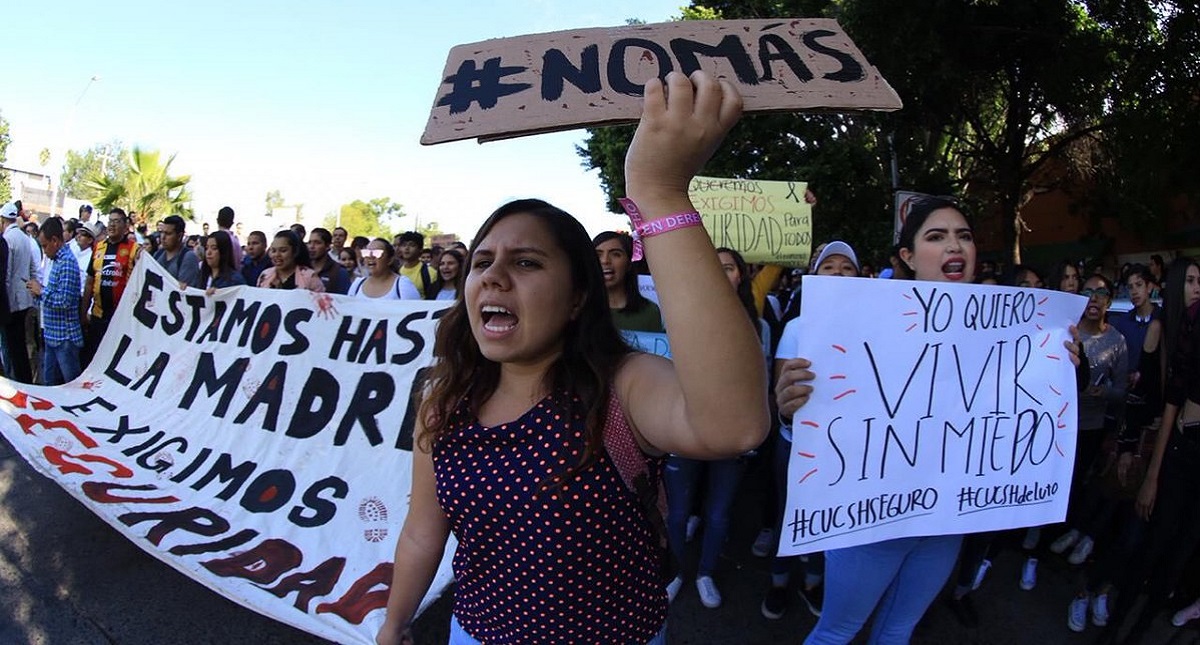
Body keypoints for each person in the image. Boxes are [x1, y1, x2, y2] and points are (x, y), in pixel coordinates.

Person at [376, 70, 766, 645]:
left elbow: (733, 425)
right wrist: (393, 623)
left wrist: (659, 192)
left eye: (527, 263)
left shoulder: (622, 388)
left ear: (577, 296)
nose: (494, 277)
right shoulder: (445, 399)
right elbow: (422, 532)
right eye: (482, 262)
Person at [778, 197, 980, 644]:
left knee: (897, 629)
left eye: (964, 235)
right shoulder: (853, 323)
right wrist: (792, 407)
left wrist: (1058, 366)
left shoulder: (1004, 333)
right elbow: (817, 416)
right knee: (837, 631)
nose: (955, 246)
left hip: (945, 522)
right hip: (871, 519)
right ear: (907, 257)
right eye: (937, 236)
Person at [1099, 258, 1200, 643]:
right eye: (1190, 281)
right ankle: (1103, 607)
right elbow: (1161, 400)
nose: (1196, 288)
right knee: (1141, 544)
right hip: (1171, 450)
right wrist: (1144, 464)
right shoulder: (1173, 329)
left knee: (1173, 561)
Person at [761, 241, 860, 622]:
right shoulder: (797, 328)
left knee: (831, 518)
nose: (838, 273)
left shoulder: (877, 328)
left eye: (846, 267)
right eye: (829, 266)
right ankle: (779, 581)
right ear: (814, 278)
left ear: (861, 277)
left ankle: (814, 581)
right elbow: (780, 389)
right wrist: (788, 412)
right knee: (790, 516)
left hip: (850, 447)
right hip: (799, 445)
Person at [664, 246, 765, 610]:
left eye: (729, 268)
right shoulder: (679, 317)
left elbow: (759, 383)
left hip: (732, 438)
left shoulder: (759, 326)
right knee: (676, 511)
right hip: (684, 434)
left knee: (719, 513)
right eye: (714, 267)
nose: (721, 274)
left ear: (741, 275)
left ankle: (705, 572)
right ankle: (674, 572)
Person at [82, 208, 142, 367]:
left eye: (116, 221)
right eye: (110, 221)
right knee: (92, 359)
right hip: (98, 315)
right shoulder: (98, 247)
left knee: (114, 362)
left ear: (125, 225)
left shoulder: (133, 248)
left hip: (121, 318)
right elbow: (89, 281)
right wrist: (83, 311)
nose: (112, 225)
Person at [30, 218, 82, 385]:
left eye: (45, 246)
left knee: (70, 384)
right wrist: (39, 292)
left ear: (55, 241)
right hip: (53, 334)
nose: (44, 251)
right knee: (49, 382)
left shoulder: (66, 262)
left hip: (64, 338)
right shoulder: (57, 260)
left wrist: (41, 291)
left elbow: (65, 301)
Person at [593, 231, 663, 332]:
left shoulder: (650, 311)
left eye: (615, 254)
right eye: (598, 254)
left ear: (629, 263)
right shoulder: (579, 310)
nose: (605, 260)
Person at [1, 201, 39, 382]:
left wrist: (5, 303)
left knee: (12, 346)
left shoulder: (8, 239)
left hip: (13, 300)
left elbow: (6, 274)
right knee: (20, 346)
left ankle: (15, 381)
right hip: (25, 298)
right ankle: (24, 379)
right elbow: (33, 268)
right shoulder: (25, 238)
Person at [348, 239, 421, 300]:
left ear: (390, 260)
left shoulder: (403, 285)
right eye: (366, 252)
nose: (370, 256)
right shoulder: (357, 285)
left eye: (377, 253)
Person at [256, 230, 323, 291]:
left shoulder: (309, 277)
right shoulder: (265, 275)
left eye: (283, 250)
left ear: (295, 252)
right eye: (273, 251)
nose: (277, 255)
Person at [153, 215, 201, 288]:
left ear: (179, 236)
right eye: (162, 232)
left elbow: (184, 291)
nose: (163, 237)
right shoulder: (158, 254)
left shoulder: (188, 257)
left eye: (168, 233)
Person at [308, 227, 352, 294]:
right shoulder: (302, 268)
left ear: (327, 246)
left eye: (317, 243)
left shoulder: (339, 272)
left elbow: (344, 300)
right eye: (310, 242)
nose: (311, 246)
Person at [394, 231, 436, 299]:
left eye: (412, 245)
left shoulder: (430, 273)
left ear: (420, 249)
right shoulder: (396, 271)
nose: (407, 248)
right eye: (404, 245)